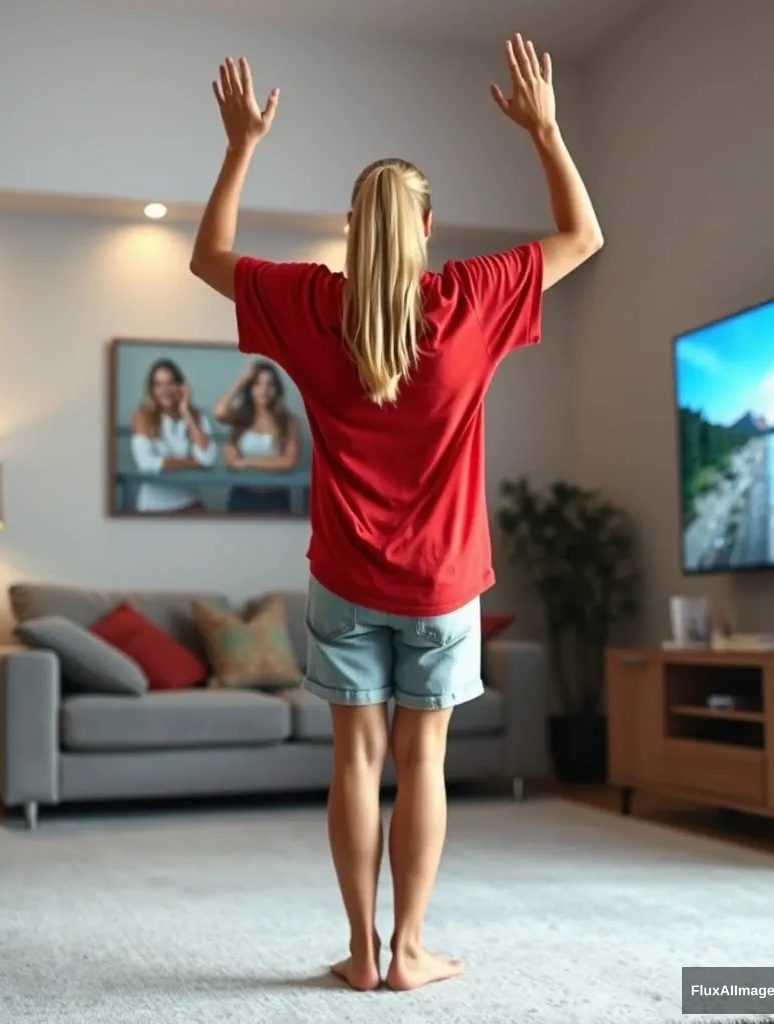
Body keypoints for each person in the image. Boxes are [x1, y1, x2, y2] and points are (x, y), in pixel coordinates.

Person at [189, 34, 602, 992]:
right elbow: (583, 237)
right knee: (423, 760)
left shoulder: (310, 304)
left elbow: (209, 257)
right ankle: (412, 950)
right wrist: (545, 131)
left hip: (343, 577)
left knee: (354, 761)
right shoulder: (468, 299)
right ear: (424, 227)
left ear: (351, 227)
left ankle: (362, 951)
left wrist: (241, 145)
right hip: (444, 582)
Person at [129, 359, 217, 513]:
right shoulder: (143, 416)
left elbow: (208, 458)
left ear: (182, 386)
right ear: (152, 389)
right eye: (159, 385)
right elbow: (147, 464)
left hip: (190, 502)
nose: (165, 390)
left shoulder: (197, 416)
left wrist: (186, 412)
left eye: (171, 383)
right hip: (154, 507)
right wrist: (194, 462)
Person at [212, 359, 300, 512]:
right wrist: (242, 380)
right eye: (258, 384)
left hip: (276, 498)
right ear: (250, 388)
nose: (264, 390)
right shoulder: (241, 417)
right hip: (242, 496)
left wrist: (245, 462)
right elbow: (219, 412)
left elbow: (288, 462)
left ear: (277, 389)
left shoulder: (288, 421)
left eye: (270, 384)